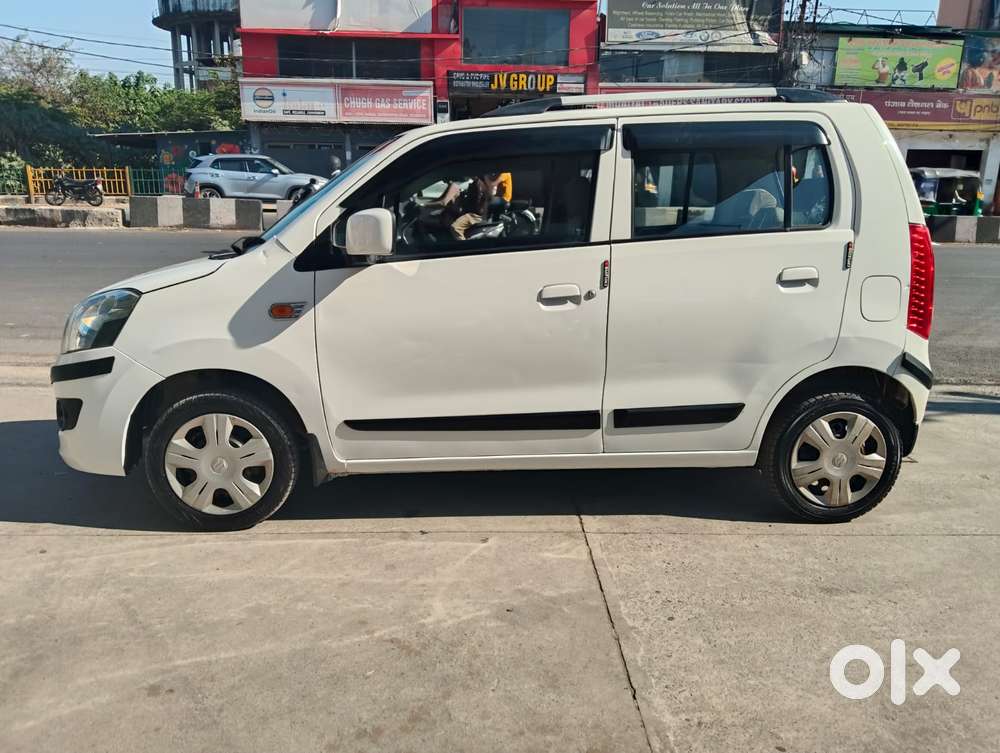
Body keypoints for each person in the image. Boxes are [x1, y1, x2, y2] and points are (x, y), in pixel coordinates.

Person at [450, 173, 503, 240]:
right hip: (476, 212)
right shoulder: (476, 183)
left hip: (478, 214)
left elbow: (483, 199)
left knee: (455, 227)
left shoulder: (482, 183)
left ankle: (463, 246)